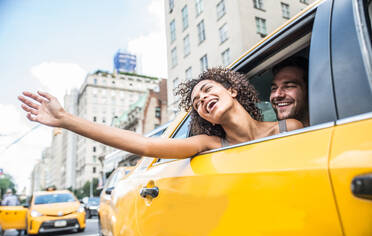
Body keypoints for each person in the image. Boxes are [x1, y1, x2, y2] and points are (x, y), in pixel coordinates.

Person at [18, 68, 303, 159]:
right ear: (204, 118)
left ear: (232, 91)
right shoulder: (209, 144)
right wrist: (66, 119)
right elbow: (145, 144)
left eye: (206, 89)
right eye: (196, 102)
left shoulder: (290, 126)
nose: (202, 98)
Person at [270, 56, 309, 127]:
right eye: (274, 88)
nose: (277, 95)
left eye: (289, 86)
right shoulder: (278, 134)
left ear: (308, 90)